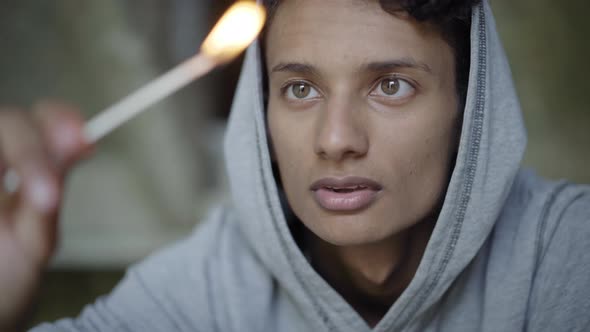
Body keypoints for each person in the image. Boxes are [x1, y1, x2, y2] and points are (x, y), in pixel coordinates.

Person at [0, 0, 588, 331]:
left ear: (471, 107)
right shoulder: (212, 280)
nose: (335, 141)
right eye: (301, 90)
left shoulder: (563, 253)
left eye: (390, 85)